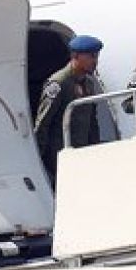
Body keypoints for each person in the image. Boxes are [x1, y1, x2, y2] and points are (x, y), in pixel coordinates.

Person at [33, 34, 106, 188]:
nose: (95, 61)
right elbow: (43, 123)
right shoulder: (59, 83)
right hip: (61, 154)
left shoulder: (88, 83)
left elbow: (92, 121)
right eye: (91, 56)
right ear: (75, 56)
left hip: (82, 150)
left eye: (96, 56)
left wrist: (97, 149)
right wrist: (38, 160)